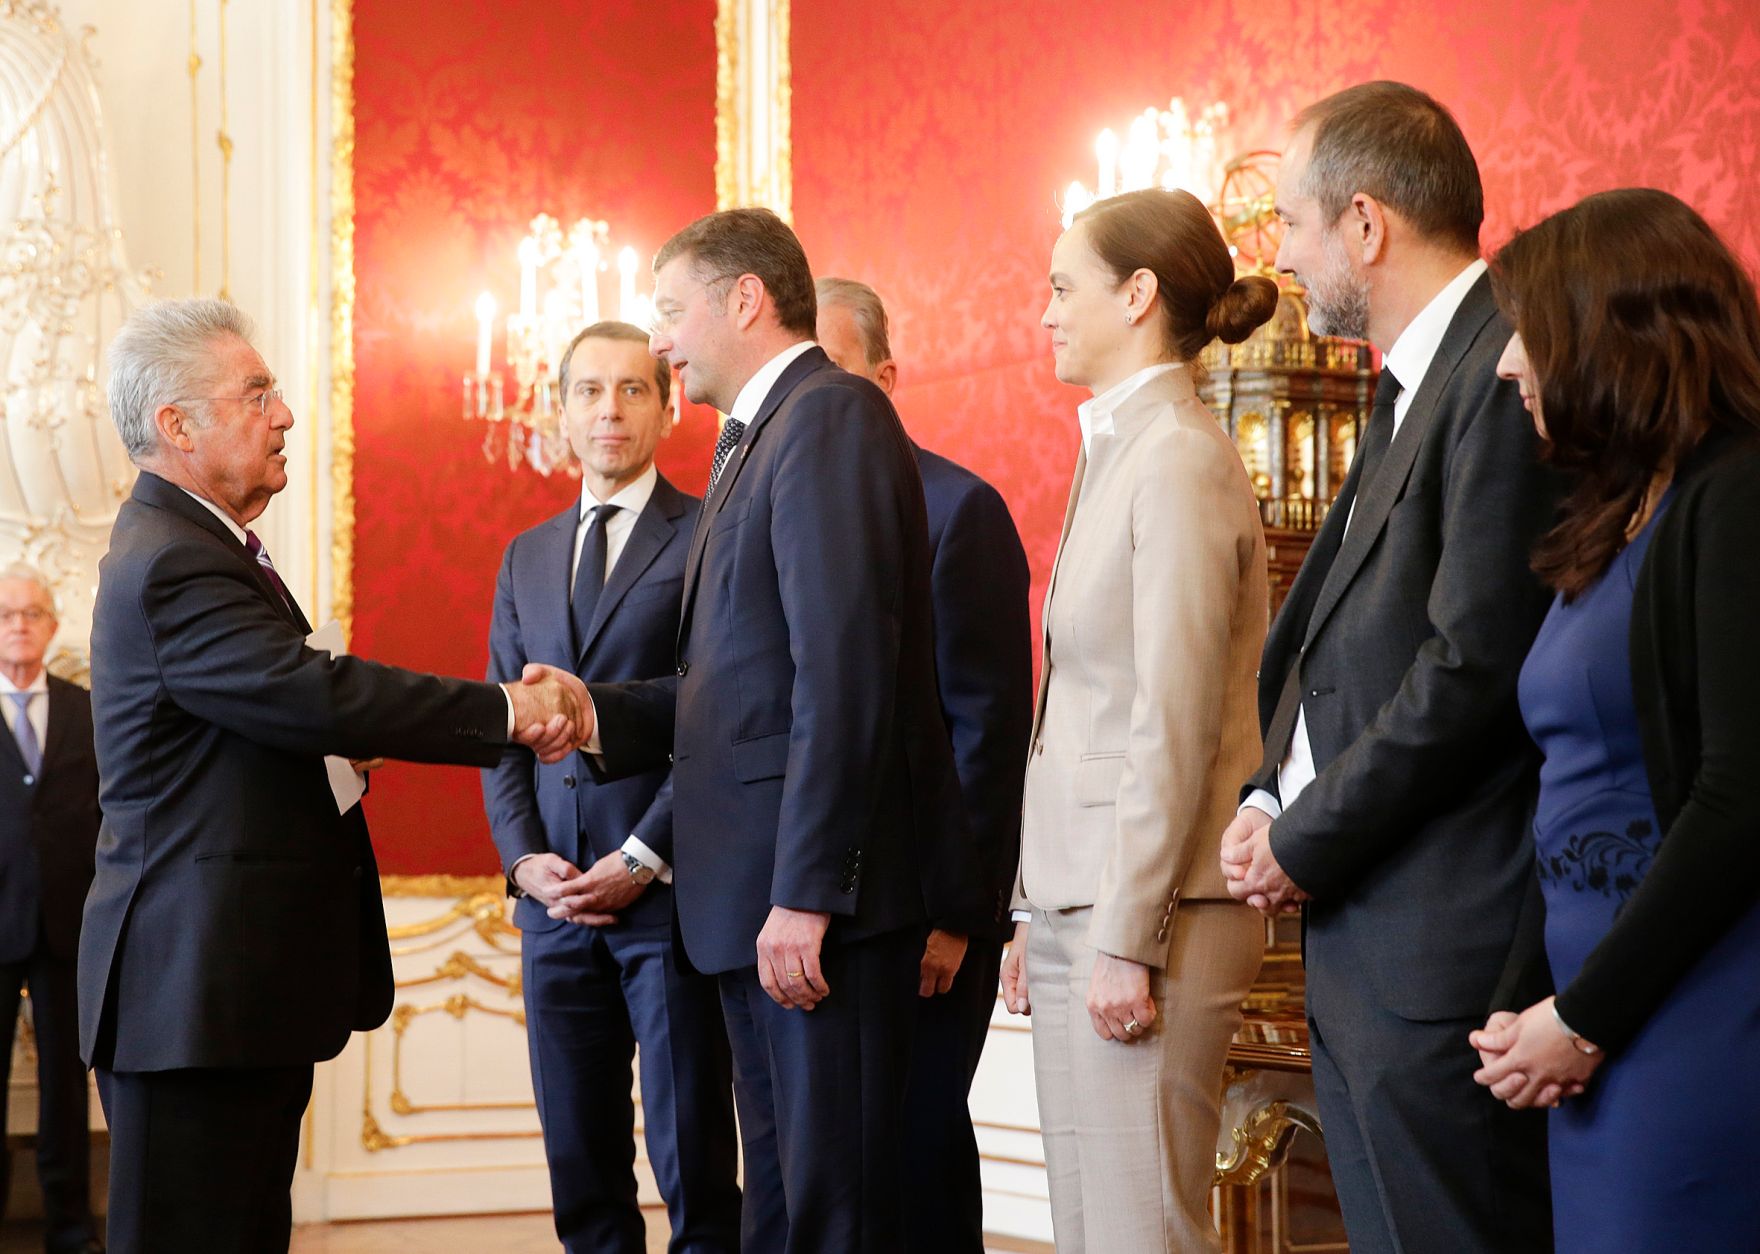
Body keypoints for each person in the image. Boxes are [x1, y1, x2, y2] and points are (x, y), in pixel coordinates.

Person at [77, 298, 590, 1254]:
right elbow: (311, 691)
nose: (285, 415)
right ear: (176, 427)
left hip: (228, 991)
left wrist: (321, 748)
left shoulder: (197, 548)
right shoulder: (171, 562)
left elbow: (258, 720)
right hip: (194, 990)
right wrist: (508, 713)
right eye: (257, 392)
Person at [564, 207, 986, 1252]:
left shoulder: (829, 415)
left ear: (743, 299)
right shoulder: (760, 438)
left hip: (810, 916)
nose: (657, 343)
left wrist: (805, 893)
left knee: (835, 1216)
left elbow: (843, 677)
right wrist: (587, 711)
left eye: (670, 312)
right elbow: (739, 692)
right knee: (789, 1215)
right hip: (752, 910)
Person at [1217, 81, 1557, 1252]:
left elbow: (1471, 668)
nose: (1289, 264)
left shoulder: (1499, 372)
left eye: (1296, 227)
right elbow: (1330, 645)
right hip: (1372, 944)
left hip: (1444, 949)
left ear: (1364, 225)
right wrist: (1271, 793)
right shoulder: (1412, 378)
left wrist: (1301, 838)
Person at [1469, 188, 1760, 1251]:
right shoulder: (1613, 506)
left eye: (1528, 333)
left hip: (1694, 1016)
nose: (1508, 364)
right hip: (1586, 1033)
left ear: (1613, 328)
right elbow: (1565, 790)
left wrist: (1582, 1019)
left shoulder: (1734, 494)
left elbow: (1738, 797)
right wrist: (1528, 1009)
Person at [995, 187, 1275, 1252]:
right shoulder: (1118, 444)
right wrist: (1036, 907)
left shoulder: (1176, 455)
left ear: (1139, 293)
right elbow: (1079, 703)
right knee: (1088, 1229)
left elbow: (1173, 715)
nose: (1046, 312)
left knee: (1138, 1235)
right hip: (1084, 899)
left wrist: (1122, 933)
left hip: (1154, 914)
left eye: (1063, 288)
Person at [482, 321, 740, 1253]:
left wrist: (643, 854)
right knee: (581, 1167)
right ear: (558, 409)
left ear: (669, 408)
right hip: (553, 905)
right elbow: (499, 733)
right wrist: (523, 863)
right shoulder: (527, 555)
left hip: (667, 896)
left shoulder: (708, 533)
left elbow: (715, 718)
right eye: (588, 390)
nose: (609, 409)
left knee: (696, 1165)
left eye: (633, 389)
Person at [815, 277, 1033, 1253]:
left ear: (885, 377)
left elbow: (985, 733)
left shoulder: (959, 510)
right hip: (821, 918)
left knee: (916, 1158)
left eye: (831, 371)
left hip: (930, 920)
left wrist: (958, 914)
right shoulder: (784, 516)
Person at [0, 565, 102, 1254]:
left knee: (67, 1087)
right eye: (7, 614)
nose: (19, 625)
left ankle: (69, 1229)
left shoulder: (86, 709)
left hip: (69, 925)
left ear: (54, 625)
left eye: (32, 613)